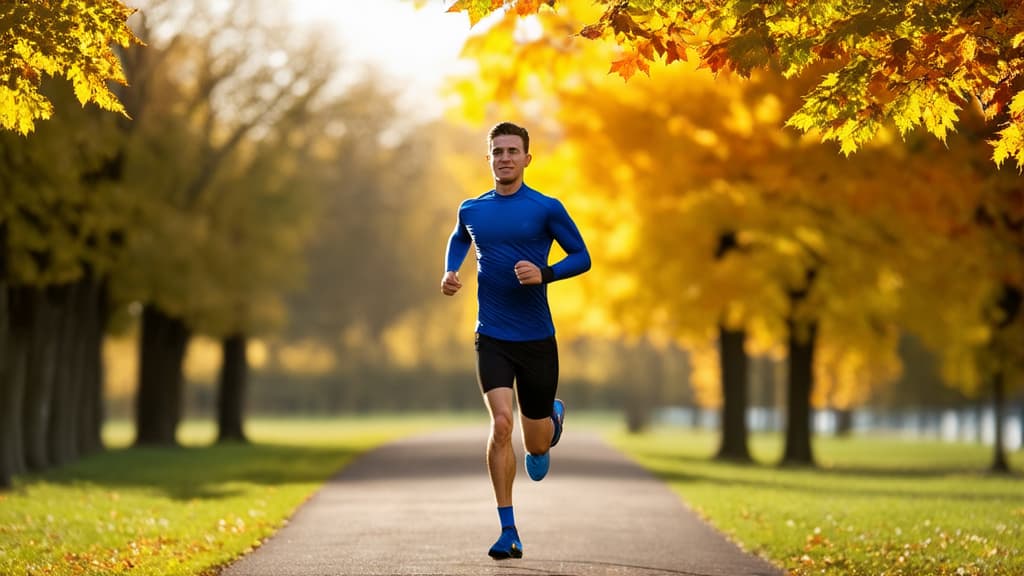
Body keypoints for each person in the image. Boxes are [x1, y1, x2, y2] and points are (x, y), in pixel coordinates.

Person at [441, 121, 591, 560]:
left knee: (537, 444)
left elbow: (582, 256)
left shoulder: (546, 208)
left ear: (527, 158)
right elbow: (458, 239)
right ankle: (508, 530)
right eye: (497, 151)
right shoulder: (472, 209)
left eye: (512, 150)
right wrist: (451, 271)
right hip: (492, 335)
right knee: (502, 424)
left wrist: (545, 273)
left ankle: (552, 423)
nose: (504, 157)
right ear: (488, 158)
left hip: (537, 339)